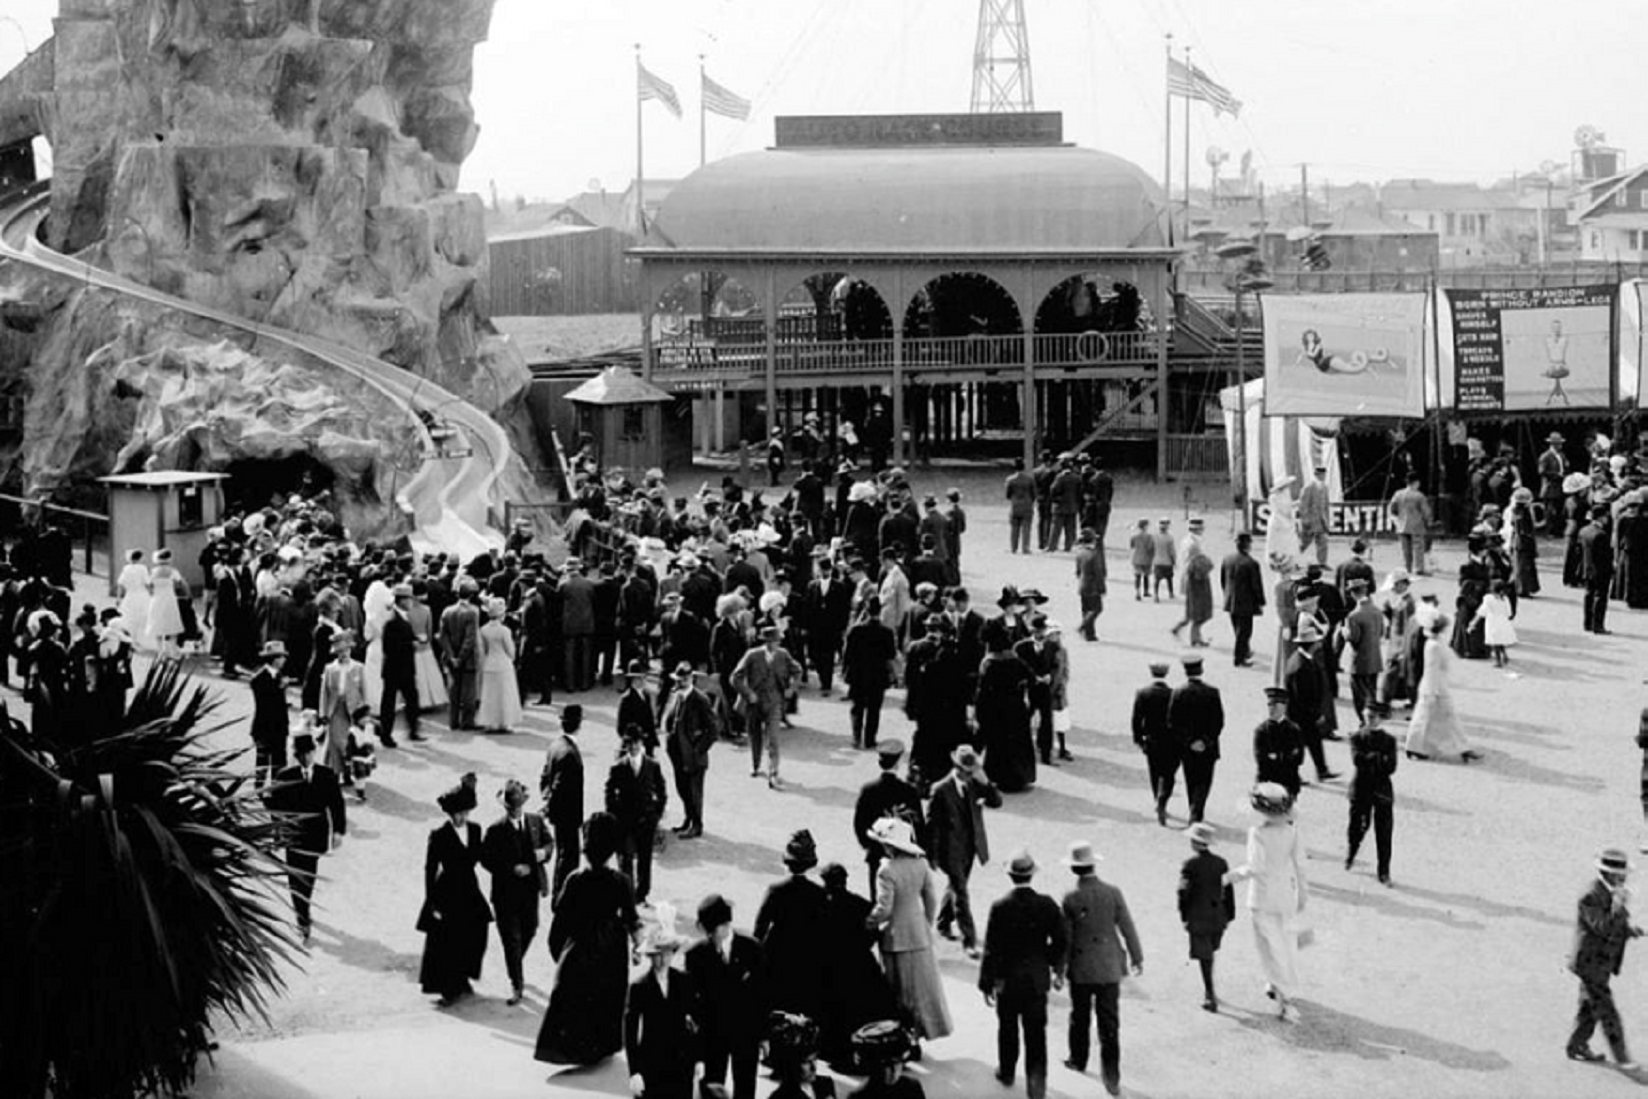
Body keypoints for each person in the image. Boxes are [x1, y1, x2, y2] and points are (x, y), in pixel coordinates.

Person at [534, 812, 645, 1066]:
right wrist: (639, 946)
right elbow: (633, 920)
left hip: (579, 948)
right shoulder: (621, 881)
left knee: (575, 998)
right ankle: (598, 1049)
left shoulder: (575, 879)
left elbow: (559, 924)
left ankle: (575, 1050)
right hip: (611, 951)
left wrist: (560, 955)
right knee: (606, 999)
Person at [978, 849, 1066, 1099]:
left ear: (1011, 876)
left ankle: (1007, 1072)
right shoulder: (1047, 905)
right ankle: (1036, 1089)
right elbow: (1061, 941)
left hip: (1007, 981)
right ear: (1031, 875)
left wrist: (987, 984)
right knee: (1036, 1036)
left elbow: (991, 948)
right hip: (1036, 981)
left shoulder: (1000, 906)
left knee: (1007, 1029)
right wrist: (1050, 964)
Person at [1059, 841, 1141, 1097]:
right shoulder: (1113, 892)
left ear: (1074, 868)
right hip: (1109, 965)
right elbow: (1127, 926)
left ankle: (1078, 1058)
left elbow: (1066, 939)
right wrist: (1137, 957)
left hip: (1081, 967)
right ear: (1094, 864)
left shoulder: (1070, 897)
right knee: (1109, 1023)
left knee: (1079, 1016)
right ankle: (1112, 1077)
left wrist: (1058, 970)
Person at [866, 817, 953, 1048]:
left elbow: (884, 909)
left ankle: (904, 1038)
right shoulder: (920, 864)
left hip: (895, 937)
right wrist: (925, 922)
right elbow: (931, 899)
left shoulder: (886, 869)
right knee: (922, 990)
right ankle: (919, 1034)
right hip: (918, 934)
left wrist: (869, 922)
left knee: (899, 992)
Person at [1225, 783, 1308, 1023]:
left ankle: (1283, 996)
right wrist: (1303, 896)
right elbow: (1301, 866)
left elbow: (1255, 867)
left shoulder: (1258, 833)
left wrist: (1228, 878)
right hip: (1285, 893)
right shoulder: (1292, 832)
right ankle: (1279, 987)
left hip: (1262, 895)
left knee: (1267, 945)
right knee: (1284, 942)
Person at [264, 732, 346, 944]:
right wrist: (277, 829)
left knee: (308, 876)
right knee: (295, 878)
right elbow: (274, 805)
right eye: (301, 754)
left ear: (314, 751)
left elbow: (336, 804)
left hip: (316, 835)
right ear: (296, 754)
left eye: (309, 753)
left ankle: (304, 908)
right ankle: (302, 918)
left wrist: (338, 831)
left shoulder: (326, 775)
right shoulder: (285, 776)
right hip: (293, 836)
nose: (306, 757)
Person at [417, 780, 493, 1008]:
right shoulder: (439, 835)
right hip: (447, 891)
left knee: (476, 932)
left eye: (465, 813)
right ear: (450, 813)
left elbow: (482, 857)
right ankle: (449, 988)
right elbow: (430, 869)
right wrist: (432, 903)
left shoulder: (476, 830)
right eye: (457, 814)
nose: (461, 818)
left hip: (469, 889)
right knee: (447, 941)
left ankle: (463, 977)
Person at [1568, 848, 1645, 1069]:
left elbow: (1612, 926)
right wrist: (1618, 906)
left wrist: (1629, 931)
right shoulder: (1590, 895)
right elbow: (1601, 927)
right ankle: (1622, 1058)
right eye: (1620, 874)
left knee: (1589, 1006)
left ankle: (1577, 1045)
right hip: (1590, 962)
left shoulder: (1611, 892)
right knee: (1606, 1010)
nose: (1624, 878)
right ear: (1608, 874)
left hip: (1602, 961)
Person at [685, 894, 765, 1099]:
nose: (708, 935)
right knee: (711, 1086)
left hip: (746, 1032)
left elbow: (763, 996)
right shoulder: (696, 954)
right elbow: (692, 999)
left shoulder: (752, 948)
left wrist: (764, 1035)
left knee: (746, 1085)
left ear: (723, 926)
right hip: (713, 1033)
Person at [927, 744, 1001, 958]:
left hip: (970, 846)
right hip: (949, 849)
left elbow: (996, 802)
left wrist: (986, 782)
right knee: (961, 893)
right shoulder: (940, 790)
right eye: (969, 772)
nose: (971, 775)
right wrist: (931, 855)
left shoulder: (975, 785)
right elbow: (932, 825)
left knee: (957, 886)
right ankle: (969, 940)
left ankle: (942, 922)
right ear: (958, 769)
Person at [482, 778, 551, 1005]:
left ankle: (515, 965)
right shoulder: (495, 830)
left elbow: (550, 842)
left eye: (518, 807)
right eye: (511, 808)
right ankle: (517, 983)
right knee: (511, 939)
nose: (515, 811)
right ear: (506, 808)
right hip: (505, 893)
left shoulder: (535, 822)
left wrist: (543, 854)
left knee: (530, 929)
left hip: (530, 889)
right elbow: (486, 859)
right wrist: (510, 868)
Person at [755, 829, 830, 1023]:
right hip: (807, 955)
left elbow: (760, 928)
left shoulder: (776, 890)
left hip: (777, 952)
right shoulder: (818, 893)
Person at [625, 911, 698, 1099]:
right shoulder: (639, 987)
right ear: (650, 956)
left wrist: (699, 1058)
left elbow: (697, 1020)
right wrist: (634, 1072)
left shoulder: (684, 982)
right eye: (657, 954)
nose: (662, 959)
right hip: (652, 1062)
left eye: (666, 953)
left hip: (681, 1063)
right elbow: (631, 1031)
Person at [1404, 615, 1482, 763]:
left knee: (1438, 718)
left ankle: (1462, 748)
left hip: (1436, 685)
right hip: (1434, 687)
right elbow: (1431, 669)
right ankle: (1415, 746)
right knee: (1429, 718)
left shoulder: (1435, 642)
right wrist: (1432, 692)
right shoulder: (1434, 645)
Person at [605, 724, 668, 904]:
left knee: (645, 858)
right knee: (625, 858)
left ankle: (642, 894)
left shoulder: (652, 766)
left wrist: (657, 814)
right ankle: (627, 894)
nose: (633, 747)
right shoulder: (618, 766)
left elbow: (662, 791)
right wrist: (614, 815)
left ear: (642, 743)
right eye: (630, 743)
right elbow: (609, 792)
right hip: (625, 821)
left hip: (646, 820)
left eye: (636, 743)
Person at [731, 624, 799, 789]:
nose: (774, 644)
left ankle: (773, 771)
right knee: (755, 735)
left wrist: (792, 688)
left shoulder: (783, 655)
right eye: (770, 641)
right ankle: (755, 764)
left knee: (774, 738)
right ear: (764, 641)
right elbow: (735, 677)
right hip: (754, 702)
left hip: (775, 701)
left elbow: (797, 670)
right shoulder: (752, 655)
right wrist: (748, 693)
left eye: (776, 641)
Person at [855, 739, 926, 896]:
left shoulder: (869, 790)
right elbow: (919, 826)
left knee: (878, 900)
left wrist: (869, 845)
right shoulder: (909, 791)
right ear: (898, 762)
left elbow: (860, 824)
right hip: (903, 856)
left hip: (877, 854)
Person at [1178, 822, 1235, 1012]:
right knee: (1210, 951)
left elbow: (1183, 892)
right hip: (1218, 915)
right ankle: (1210, 989)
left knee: (1205, 956)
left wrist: (1184, 915)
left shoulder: (1190, 865)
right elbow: (1228, 889)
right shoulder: (1221, 863)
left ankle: (1209, 993)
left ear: (1194, 843)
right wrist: (1229, 914)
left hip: (1198, 916)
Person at [660, 662, 717, 838]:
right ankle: (688, 819)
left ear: (691, 678)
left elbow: (713, 731)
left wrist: (698, 750)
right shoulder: (675, 695)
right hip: (678, 753)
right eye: (679, 679)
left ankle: (697, 825)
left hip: (693, 756)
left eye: (685, 679)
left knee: (694, 792)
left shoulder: (700, 699)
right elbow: (669, 720)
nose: (681, 682)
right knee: (682, 788)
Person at [975, 632, 1036, 793]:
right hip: (1016, 708)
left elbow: (982, 691)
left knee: (998, 744)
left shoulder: (988, 663)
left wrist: (979, 713)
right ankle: (1020, 777)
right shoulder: (1016, 661)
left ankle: (998, 777)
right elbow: (1032, 679)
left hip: (996, 709)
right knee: (1017, 744)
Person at [1346, 700, 1398, 885]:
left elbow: (1391, 767)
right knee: (1358, 825)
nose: (1370, 720)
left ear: (1380, 719)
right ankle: (1352, 851)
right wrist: (1378, 758)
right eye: (1367, 716)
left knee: (1384, 832)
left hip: (1382, 791)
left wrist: (1371, 759)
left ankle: (1384, 870)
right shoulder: (1356, 738)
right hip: (1361, 788)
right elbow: (1357, 760)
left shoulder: (1389, 740)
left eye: (1374, 717)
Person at [1167, 654, 1224, 824]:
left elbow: (1172, 722)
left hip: (1186, 748)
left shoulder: (1178, 692)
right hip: (1209, 746)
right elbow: (1218, 722)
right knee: (1205, 780)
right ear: (1201, 669)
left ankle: (1194, 808)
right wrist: (1205, 741)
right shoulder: (1212, 692)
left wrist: (1190, 741)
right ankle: (1197, 812)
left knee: (1190, 779)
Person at [540, 704, 585, 906]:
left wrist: (547, 799)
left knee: (563, 854)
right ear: (579, 725)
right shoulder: (569, 753)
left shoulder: (555, 745)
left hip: (559, 813)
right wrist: (551, 803)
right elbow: (559, 785)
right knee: (569, 858)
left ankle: (559, 896)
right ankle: (562, 898)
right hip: (568, 813)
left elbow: (545, 776)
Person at [843, 597, 897, 751]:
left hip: (858, 675)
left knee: (857, 707)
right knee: (874, 709)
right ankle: (870, 739)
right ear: (880, 612)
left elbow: (847, 654)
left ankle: (856, 738)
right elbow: (891, 654)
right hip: (878, 676)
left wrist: (846, 672)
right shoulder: (887, 632)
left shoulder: (856, 630)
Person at [1130, 662, 1178, 826]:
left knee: (1154, 771)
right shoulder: (1173, 693)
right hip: (1170, 741)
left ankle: (1157, 798)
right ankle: (1163, 799)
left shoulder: (1143, 693)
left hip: (1151, 739)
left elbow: (1136, 718)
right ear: (1166, 674)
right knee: (1169, 774)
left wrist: (1138, 740)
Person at [377, 585, 423, 744]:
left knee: (411, 699)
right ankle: (386, 734)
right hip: (395, 667)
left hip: (404, 667)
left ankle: (413, 730)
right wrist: (411, 645)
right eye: (409, 598)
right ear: (401, 600)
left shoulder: (402, 618)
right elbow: (389, 647)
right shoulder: (392, 621)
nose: (411, 602)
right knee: (390, 703)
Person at [438, 579, 481, 728]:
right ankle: (467, 721)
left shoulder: (447, 611)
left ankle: (453, 720)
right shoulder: (472, 612)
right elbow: (470, 638)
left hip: (450, 657)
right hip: (467, 659)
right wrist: (461, 656)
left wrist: (451, 655)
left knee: (453, 690)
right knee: (469, 691)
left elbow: (443, 636)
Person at [475, 597, 522, 733]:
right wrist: (512, 658)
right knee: (505, 694)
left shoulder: (483, 629)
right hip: (503, 663)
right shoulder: (505, 631)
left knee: (490, 695)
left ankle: (491, 723)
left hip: (489, 663)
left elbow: (483, 649)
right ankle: (505, 722)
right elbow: (510, 650)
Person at [1220, 532, 1266, 667]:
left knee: (1237, 628)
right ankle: (1239, 658)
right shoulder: (1251, 563)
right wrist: (1260, 601)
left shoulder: (1227, 559)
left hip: (1230, 600)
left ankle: (1244, 651)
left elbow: (1223, 580)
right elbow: (1256, 585)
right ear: (1248, 545)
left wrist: (1226, 594)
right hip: (1246, 602)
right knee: (1244, 631)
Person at [846, 1021, 926, 1098]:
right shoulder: (859, 1096)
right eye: (884, 1068)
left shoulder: (912, 1088)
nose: (893, 1072)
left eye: (897, 1063)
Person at [1342, 579, 1384, 725]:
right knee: (1371, 692)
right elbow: (1381, 633)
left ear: (1353, 593)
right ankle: (1372, 720)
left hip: (1359, 660)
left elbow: (1353, 638)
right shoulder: (1377, 611)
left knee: (1359, 695)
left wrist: (1344, 632)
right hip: (1375, 659)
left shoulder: (1354, 616)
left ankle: (1364, 721)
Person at [249, 640, 291, 785]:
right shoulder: (259, 679)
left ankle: (276, 790)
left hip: (279, 726)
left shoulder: (279, 676)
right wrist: (279, 688)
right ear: (274, 659)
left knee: (279, 761)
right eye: (281, 657)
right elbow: (264, 702)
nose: (284, 660)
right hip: (264, 727)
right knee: (263, 760)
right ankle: (259, 787)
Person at [1253, 685, 1306, 799]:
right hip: (1268, 783)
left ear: (1284, 708)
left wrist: (1276, 757)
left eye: (1277, 706)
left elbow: (1299, 758)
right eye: (1270, 705)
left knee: (1287, 815)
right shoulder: (1261, 730)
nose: (1272, 709)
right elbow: (1261, 758)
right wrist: (1285, 757)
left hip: (1289, 781)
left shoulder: (1294, 730)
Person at [1172, 517, 1215, 647]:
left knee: (1194, 609)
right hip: (1196, 579)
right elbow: (1197, 564)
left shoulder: (1186, 541)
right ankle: (1193, 636)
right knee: (1200, 610)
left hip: (1188, 577)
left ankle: (1193, 635)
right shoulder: (1193, 545)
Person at [1387, 475, 1432, 575]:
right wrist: (1428, 521)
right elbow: (1426, 512)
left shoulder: (1398, 494)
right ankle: (1419, 568)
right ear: (1416, 482)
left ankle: (1407, 568)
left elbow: (1392, 509)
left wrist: (1398, 518)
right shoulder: (1419, 495)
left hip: (1401, 525)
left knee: (1405, 549)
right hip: (1416, 526)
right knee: (1418, 548)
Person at [145, 547, 185, 659]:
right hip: (169, 598)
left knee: (157, 624)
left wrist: (152, 593)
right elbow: (179, 583)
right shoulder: (172, 571)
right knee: (172, 624)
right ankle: (172, 650)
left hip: (157, 598)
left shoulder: (153, 571)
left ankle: (160, 650)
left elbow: (148, 584)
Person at [1073, 528, 1106, 642]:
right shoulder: (1094, 554)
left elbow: (1077, 571)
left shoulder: (1080, 552)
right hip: (1093, 585)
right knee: (1097, 608)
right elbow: (1099, 572)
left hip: (1082, 583)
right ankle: (1083, 626)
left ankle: (1089, 634)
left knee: (1085, 609)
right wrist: (1102, 587)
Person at [114, 548, 151, 647]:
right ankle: (139, 639)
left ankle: (132, 639)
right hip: (142, 594)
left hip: (130, 595)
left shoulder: (126, 569)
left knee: (130, 618)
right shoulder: (143, 568)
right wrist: (152, 594)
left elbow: (120, 584)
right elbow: (147, 583)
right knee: (142, 618)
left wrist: (118, 598)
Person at [1298, 464, 1331, 566]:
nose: (1323, 476)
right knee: (1304, 543)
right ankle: (1292, 560)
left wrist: (1327, 520)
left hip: (1321, 521)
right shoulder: (1308, 487)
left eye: (1324, 474)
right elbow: (1303, 505)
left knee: (1323, 542)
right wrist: (1305, 519)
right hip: (1310, 522)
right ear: (1316, 475)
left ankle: (1322, 563)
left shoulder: (1325, 487)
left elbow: (1326, 505)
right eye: (1321, 474)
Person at [1481, 579, 1518, 668]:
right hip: (1503, 622)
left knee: (1495, 642)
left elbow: (1484, 611)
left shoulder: (1488, 598)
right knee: (1500, 640)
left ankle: (1498, 661)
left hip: (1492, 622)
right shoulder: (1505, 599)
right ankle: (1505, 655)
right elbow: (1509, 613)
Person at [1005, 459, 1037, 554]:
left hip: (1015, 505)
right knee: (1026, 528)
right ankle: (1025, 548)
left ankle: (1013, 548)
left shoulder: (1010, 479)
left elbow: (1007, 494)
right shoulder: (1030, 479)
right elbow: (1034, 494)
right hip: (1027, 505)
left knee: (1014, 528)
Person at [1149, 518, 1176, 601]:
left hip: (1157, 561)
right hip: (1167, 561)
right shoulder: (1169, 538)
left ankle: (1156, 595)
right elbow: (1172, 551)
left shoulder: (1154, 537)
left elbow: (1150, 548)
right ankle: (1171, 593)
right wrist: (1174, 561)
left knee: (1157, 580)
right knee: (1169, 579)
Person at [1128, 519, 1153, 601]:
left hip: (1136, 558)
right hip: (1146, 558)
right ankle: (1146, 591)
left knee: (1137, 576)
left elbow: (1131, 546)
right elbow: (1150, 548)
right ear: (1145, 527)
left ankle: (1137, 592)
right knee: (1146, 575)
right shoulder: (1149, 537)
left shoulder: (1134, 536)